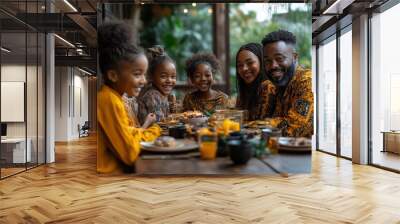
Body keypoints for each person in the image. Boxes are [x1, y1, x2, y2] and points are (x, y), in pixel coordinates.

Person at [97, 22, 161, 174]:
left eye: (144, 74)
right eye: (137, 74)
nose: (144, 81)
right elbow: (130, 153)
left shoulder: (115, 97)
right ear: (113, 75)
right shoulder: (108, 100)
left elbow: (130, 133)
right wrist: (155, 131)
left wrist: (150, 130)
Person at [260, 30, 313, 137]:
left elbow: (295, 127)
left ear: (295, 57)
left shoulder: (307, 81)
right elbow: (263, 119)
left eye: (279, 59)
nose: (273, 66)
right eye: (268, 61)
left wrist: (257, 126)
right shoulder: (272, 87)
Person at [137, 46, 177, 124]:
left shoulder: (161, 94)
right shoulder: (152, 96)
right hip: (151, 134)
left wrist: (171, 108)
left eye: (173, 77)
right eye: (163, 76)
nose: (169, 80)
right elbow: (160, 123)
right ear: (151, 77)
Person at [235, 43, 274, 120]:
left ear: (262, 62)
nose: (244, 68)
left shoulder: (268, 87)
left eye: (250, 63)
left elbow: (262, 123)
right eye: (240, 65)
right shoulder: (244, 91)